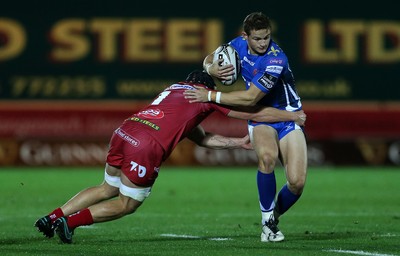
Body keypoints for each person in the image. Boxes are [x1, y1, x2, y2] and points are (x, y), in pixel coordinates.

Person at [34, 70, 306, 244]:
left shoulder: (173, 88)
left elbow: (199, 136)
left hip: (125, 131)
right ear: (203, 87)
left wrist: (237, 143)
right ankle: (69, 223)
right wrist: (291, 115)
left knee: (107, 187)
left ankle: (53, 216)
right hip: (145, 145)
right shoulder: (203, 96)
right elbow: (252, 113)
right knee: (127, 204)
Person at [184, 12, 307, 242]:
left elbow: (250, 97)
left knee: (297, 183)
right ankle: (267, 224)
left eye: (267, 37)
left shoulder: (275, 59)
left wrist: (210, 94)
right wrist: (211, 69)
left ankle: (272, 217)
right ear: (245, 36)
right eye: (258, 39)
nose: (263, 43)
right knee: (267, 158)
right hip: (260, 116)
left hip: (288, 116)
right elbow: (208, 59)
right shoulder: (236, 45)